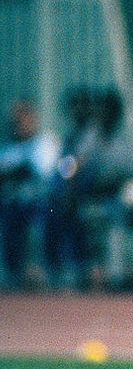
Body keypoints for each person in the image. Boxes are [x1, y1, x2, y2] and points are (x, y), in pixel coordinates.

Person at [44, 87, 133, 290]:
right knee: (64, 210)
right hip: (92, 195)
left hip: (117, 195)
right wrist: (69, 189)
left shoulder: (127, 138)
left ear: (117, 113)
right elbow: (74, 165)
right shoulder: (90, 136)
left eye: (110, 110)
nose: (105, 115)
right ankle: (75, 270)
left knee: (116, 215)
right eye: (103, 110)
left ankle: (116, 276)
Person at [0, 98, 60, 289]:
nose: (21, 123)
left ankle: (43, 271)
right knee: (9, 216)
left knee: (42, 216)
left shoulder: (46, 142)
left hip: (42, 204)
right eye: (16, 120)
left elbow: (42, 171)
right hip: (13, 205)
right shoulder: (8, 148)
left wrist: (16, 171)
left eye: (24, 118)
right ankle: (13, 273)